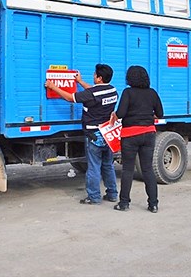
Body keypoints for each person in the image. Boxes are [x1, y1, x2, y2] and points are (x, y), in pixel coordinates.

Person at [45, 64, 119, 205]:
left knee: (94, 167)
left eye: (94, 74)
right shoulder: (113, 91)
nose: (93, 76)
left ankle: (94, 197)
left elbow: (70, 98)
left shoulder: (92, 94)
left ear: (99, 78)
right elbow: (94, 92)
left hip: (93, 135)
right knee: (108, 165)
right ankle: (112, 194)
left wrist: (52, 86)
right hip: (107, 135)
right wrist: (80, 82)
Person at [109, 65, 163, 213]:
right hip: (148, 133)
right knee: (147, 170)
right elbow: (160, 113)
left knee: (127, 170)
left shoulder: (128, 92)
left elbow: (120, 114)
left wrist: (116, 115)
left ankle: (124, 203)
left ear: (130, 78)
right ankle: (153, 204)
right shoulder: (152, 93)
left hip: (130, 135)